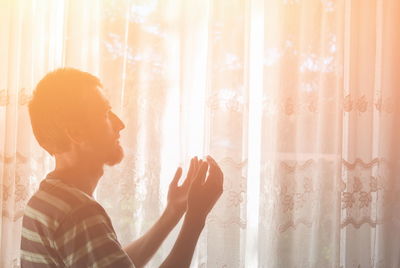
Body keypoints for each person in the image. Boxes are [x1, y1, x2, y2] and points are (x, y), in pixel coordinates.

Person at [20, 68, 224, 267]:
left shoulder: (45, 202)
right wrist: (195, 219)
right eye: (105, 113)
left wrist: (172, 212)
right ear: (76, 133)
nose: (120, 124)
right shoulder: (78, 213)